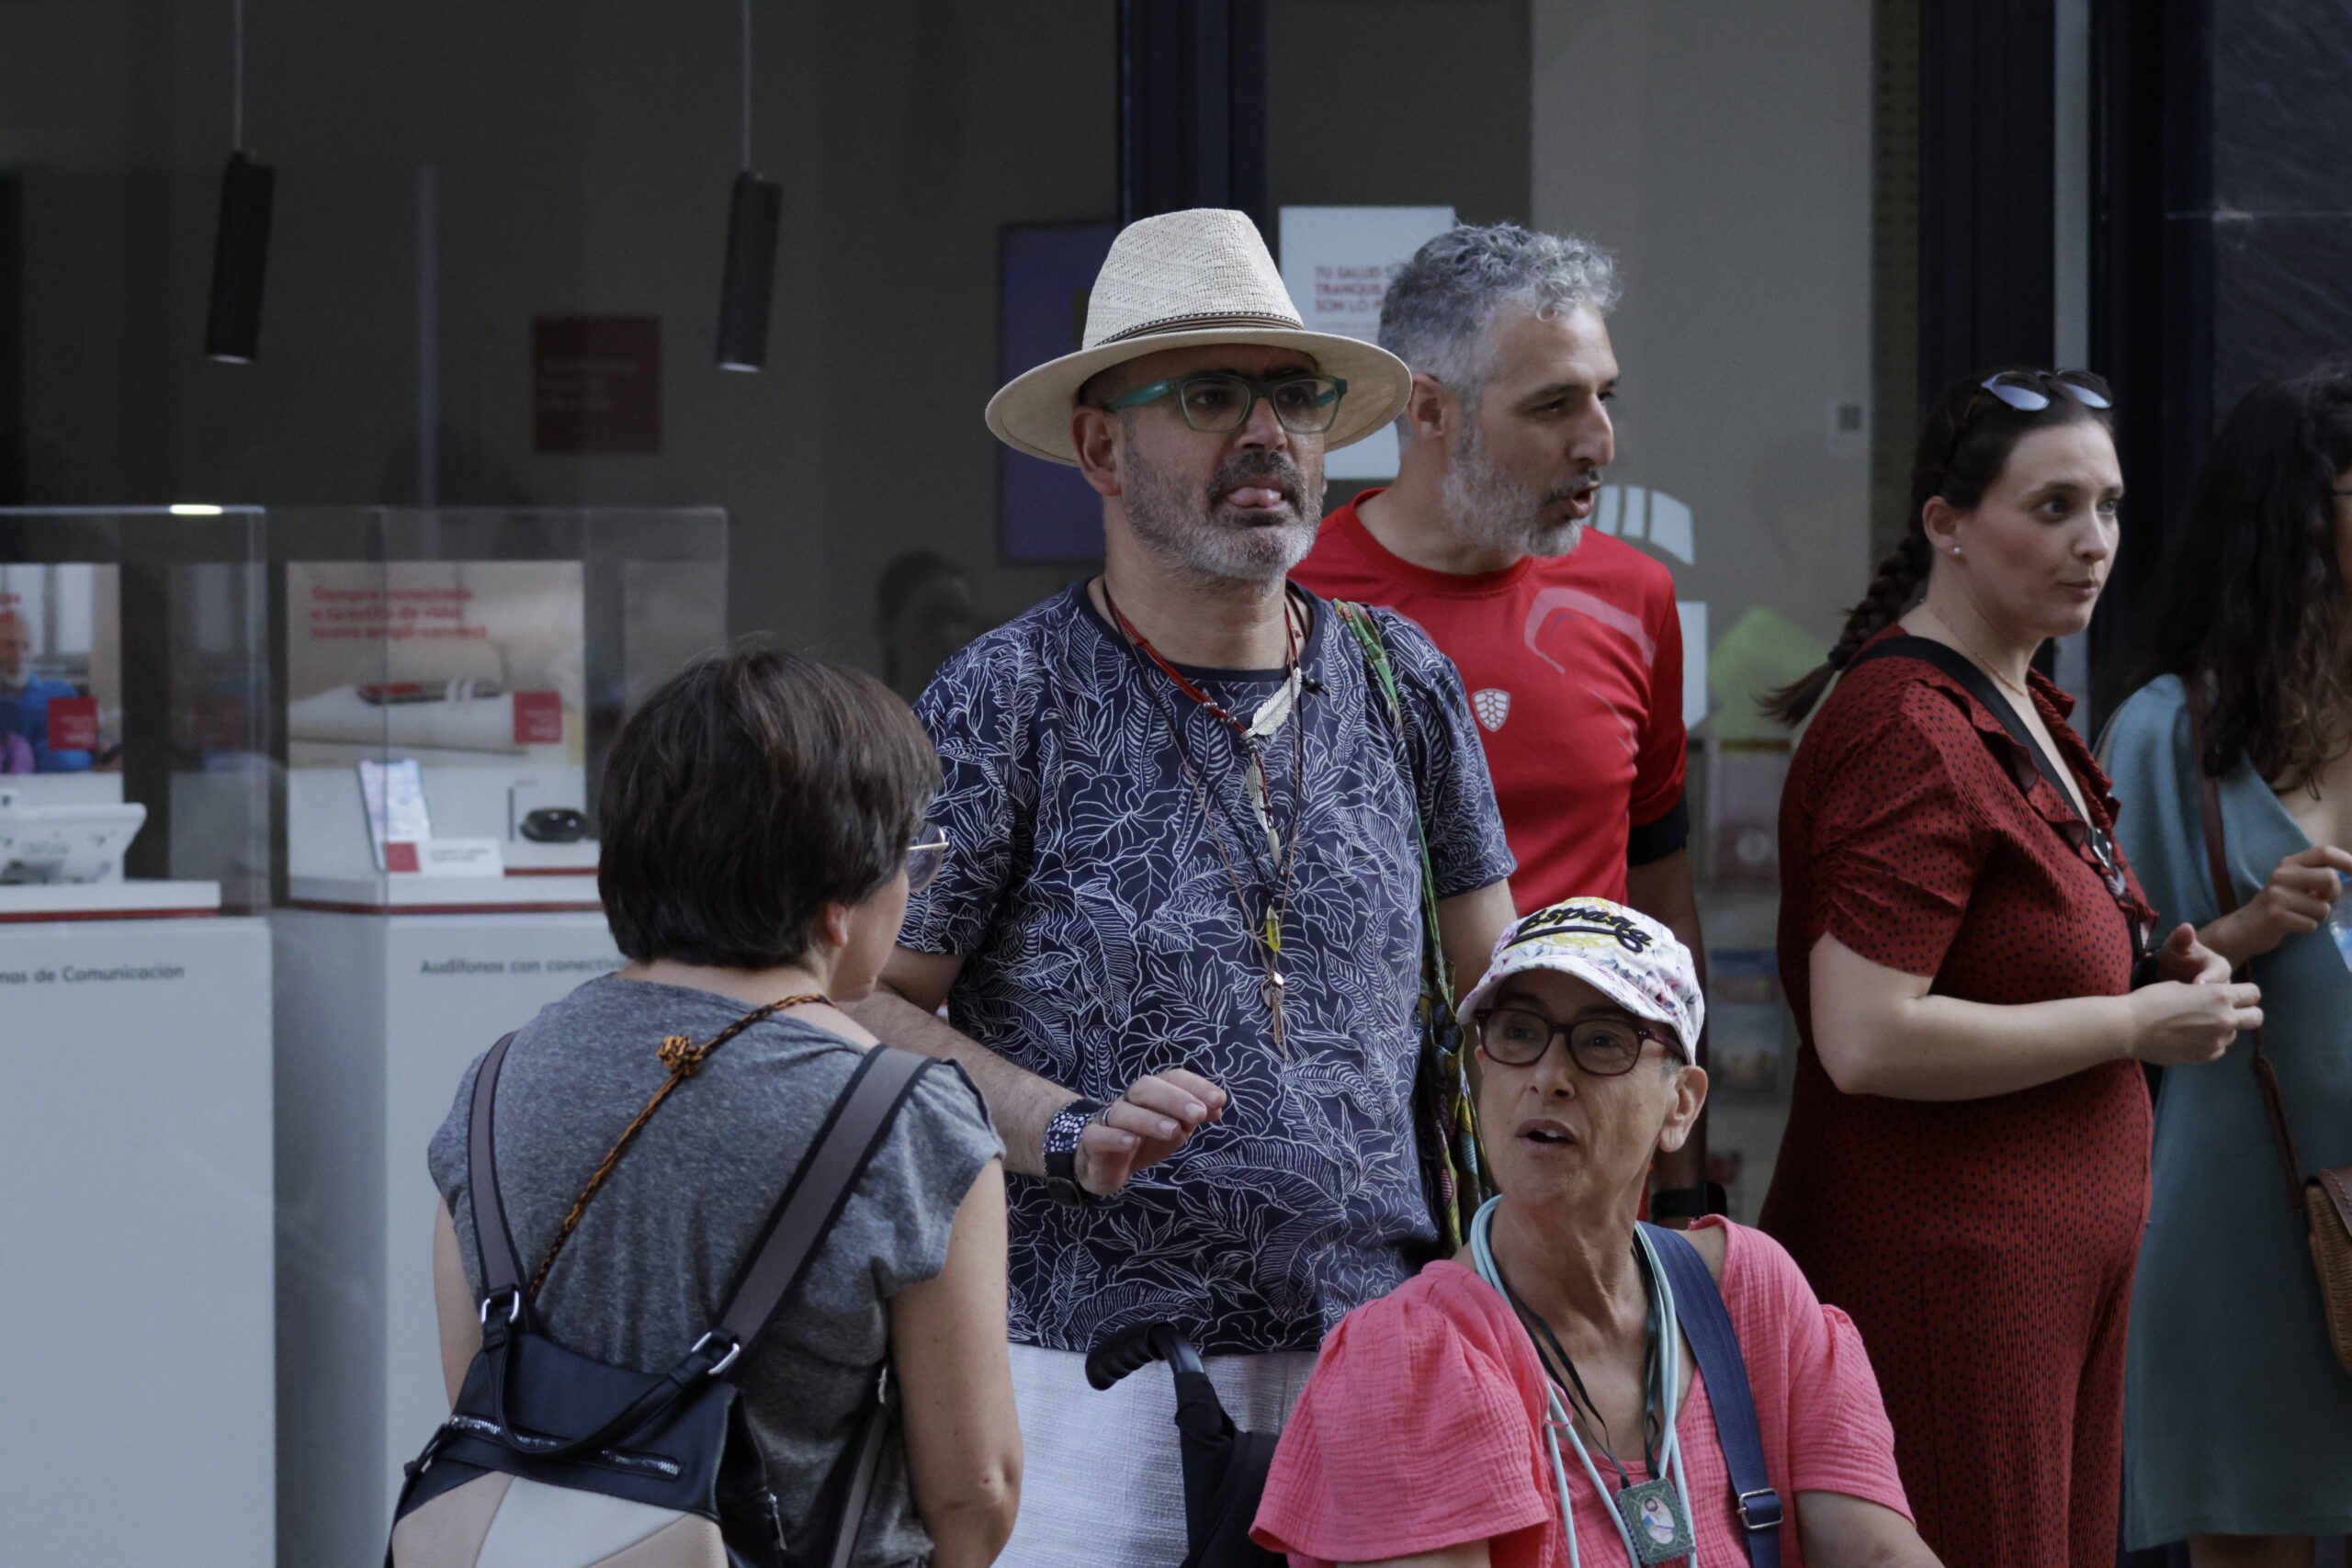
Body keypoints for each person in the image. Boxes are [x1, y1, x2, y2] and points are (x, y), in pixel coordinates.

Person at [847, 208, 1519, 1568]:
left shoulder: (1402, 680)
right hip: (1093, 1385)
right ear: (1101, 448)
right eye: (1211, 398)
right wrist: (1060, 1122)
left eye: (1295, 398)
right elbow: (862, 1003)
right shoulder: (1009, 696)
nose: (1266, 433)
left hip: (1380, 1361)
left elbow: (1500, 1002)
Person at [1754, 369, 2258, 1568]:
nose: (2095, 542)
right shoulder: (1911, 724)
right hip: (1953, 1282)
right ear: (1947, 524)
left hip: (2043, 1282)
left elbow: (2009, 955)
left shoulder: (2014, 697)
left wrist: (2146, 969)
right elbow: (1866, 1033)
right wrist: (2131, 1022)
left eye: (2111, 506)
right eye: (2052, 507)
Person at [424, 647, 1019, 1568]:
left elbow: (482, 1397)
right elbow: (974, 1490)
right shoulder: (910, 1124)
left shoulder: (498, 1081)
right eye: (911, 856)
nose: (912, 886)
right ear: (835, 902)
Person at [1252, 899, 1939, 1568]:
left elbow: (1878, 1549)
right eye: (1518, 1033)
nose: (1549, 1077)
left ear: (1681, 1105)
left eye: (1603, 1041)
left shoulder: (1751, 1297)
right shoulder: (1412, 1356)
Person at [1293, 223, 1713, 1221]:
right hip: (1358, 1162)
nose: (1598, 441)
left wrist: (1685, 1185)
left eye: (1604, 397)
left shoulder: (1635, 596)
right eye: (1553, 405)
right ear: (1429, 410)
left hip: (1590, 1158)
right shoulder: (1296, 604)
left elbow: (1659, 890)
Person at [2101, 365, 2352, 1566]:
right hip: (2243, 1194)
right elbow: (2101, 989)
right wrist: (2246, 928)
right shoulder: (2167, 732)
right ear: (2297, 518)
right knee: (2250, 1527)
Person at [876, 549, 987, 704]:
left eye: (961, 619)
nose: (950, 635)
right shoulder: (863, 717)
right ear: (888, 629)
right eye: (931, 619)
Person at [0, 607, 93, 772]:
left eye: (26, 646)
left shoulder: (61, 692)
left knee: (61, 756)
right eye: (10, 645)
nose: (19, 654)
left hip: (57, 782)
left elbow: (88, 745)